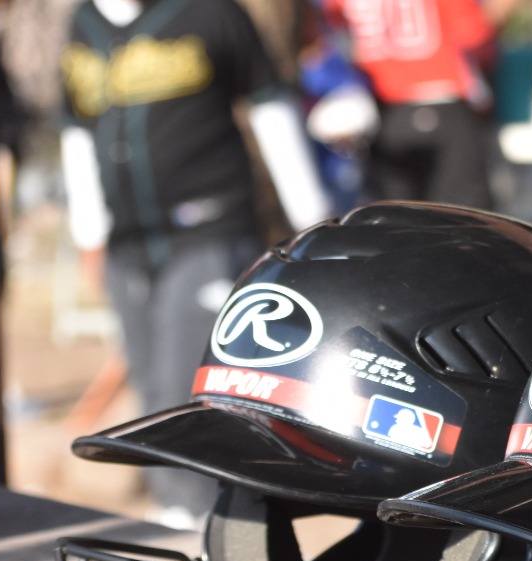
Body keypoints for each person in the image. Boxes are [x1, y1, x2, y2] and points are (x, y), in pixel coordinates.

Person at [60, 0, 330, 526]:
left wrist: (313, 219)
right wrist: (87, 233)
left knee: (187, 384)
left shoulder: (210, 12)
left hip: (208, 227)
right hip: (127, 242)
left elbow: (269, 105)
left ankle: (203, 519)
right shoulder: (84, 22)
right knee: (150, 387)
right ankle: (173, 513)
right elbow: (76, 128)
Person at [321, 0, 505, 208]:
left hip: (385, 115)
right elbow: (475, 37)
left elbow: (330, 39)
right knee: (462, 217)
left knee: (395, 216)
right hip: (443, 102)